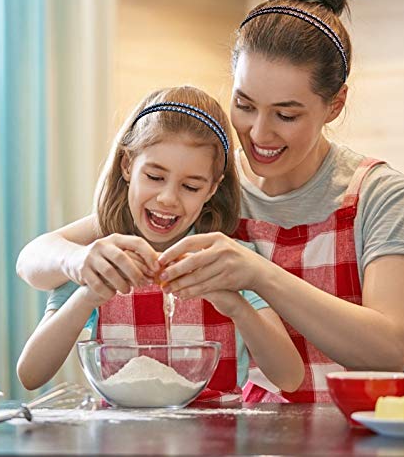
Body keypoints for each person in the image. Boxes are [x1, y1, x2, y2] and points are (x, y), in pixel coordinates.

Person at [17, 0, 404, 402]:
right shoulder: (206, 189)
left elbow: (391, 351)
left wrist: (258, 275)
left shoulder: (378, 194)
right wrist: (79, 264)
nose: (259, 133)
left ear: (335, 104)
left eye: (286, 115)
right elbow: (37, 256)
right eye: (244, 104)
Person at [16, 85, 304, 402]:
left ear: (211, 189)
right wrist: (87, 295)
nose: (168, 199)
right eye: (154, 177)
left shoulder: (227, 259)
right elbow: (31, 375)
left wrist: (237, 306)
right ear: (128, 165)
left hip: (220, 442)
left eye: (191, 186)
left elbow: (289, 378)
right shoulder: (101, 259)